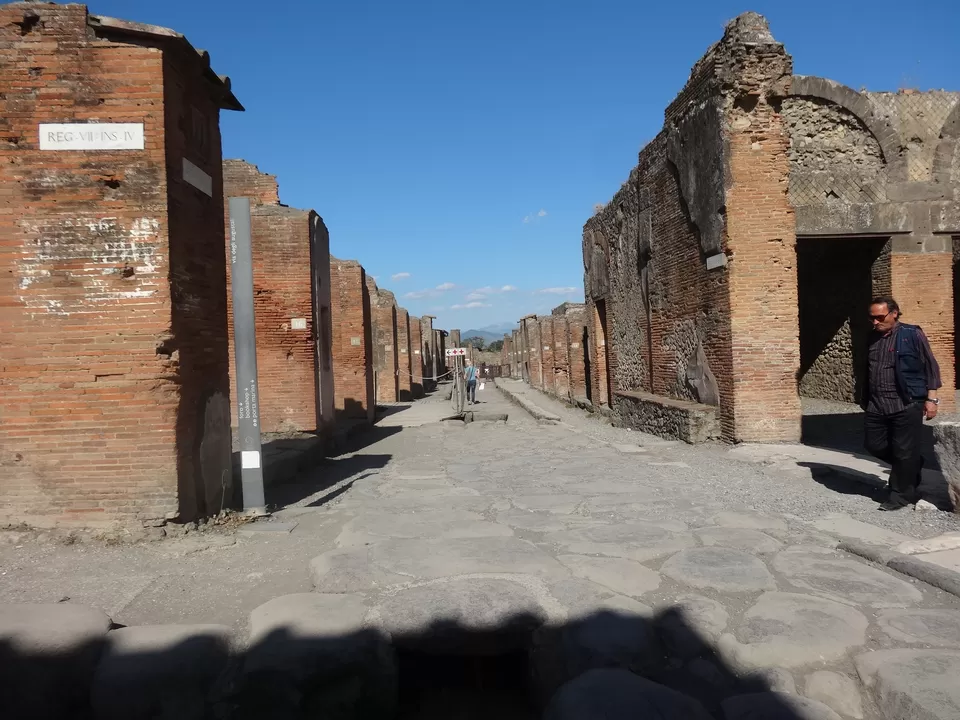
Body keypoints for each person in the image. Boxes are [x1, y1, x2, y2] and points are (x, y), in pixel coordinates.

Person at [863, 296, 942, 511]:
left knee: (904, 450)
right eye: (872, 318)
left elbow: (930, 367)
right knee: (874, 445)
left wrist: (931, 399)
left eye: (880, 317)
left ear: (894, 313)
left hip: (906, 403)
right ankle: (912, 465)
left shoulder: (911, 334)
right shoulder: (871, 337)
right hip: (877, 404)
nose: (875, 322)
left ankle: (901, 495)